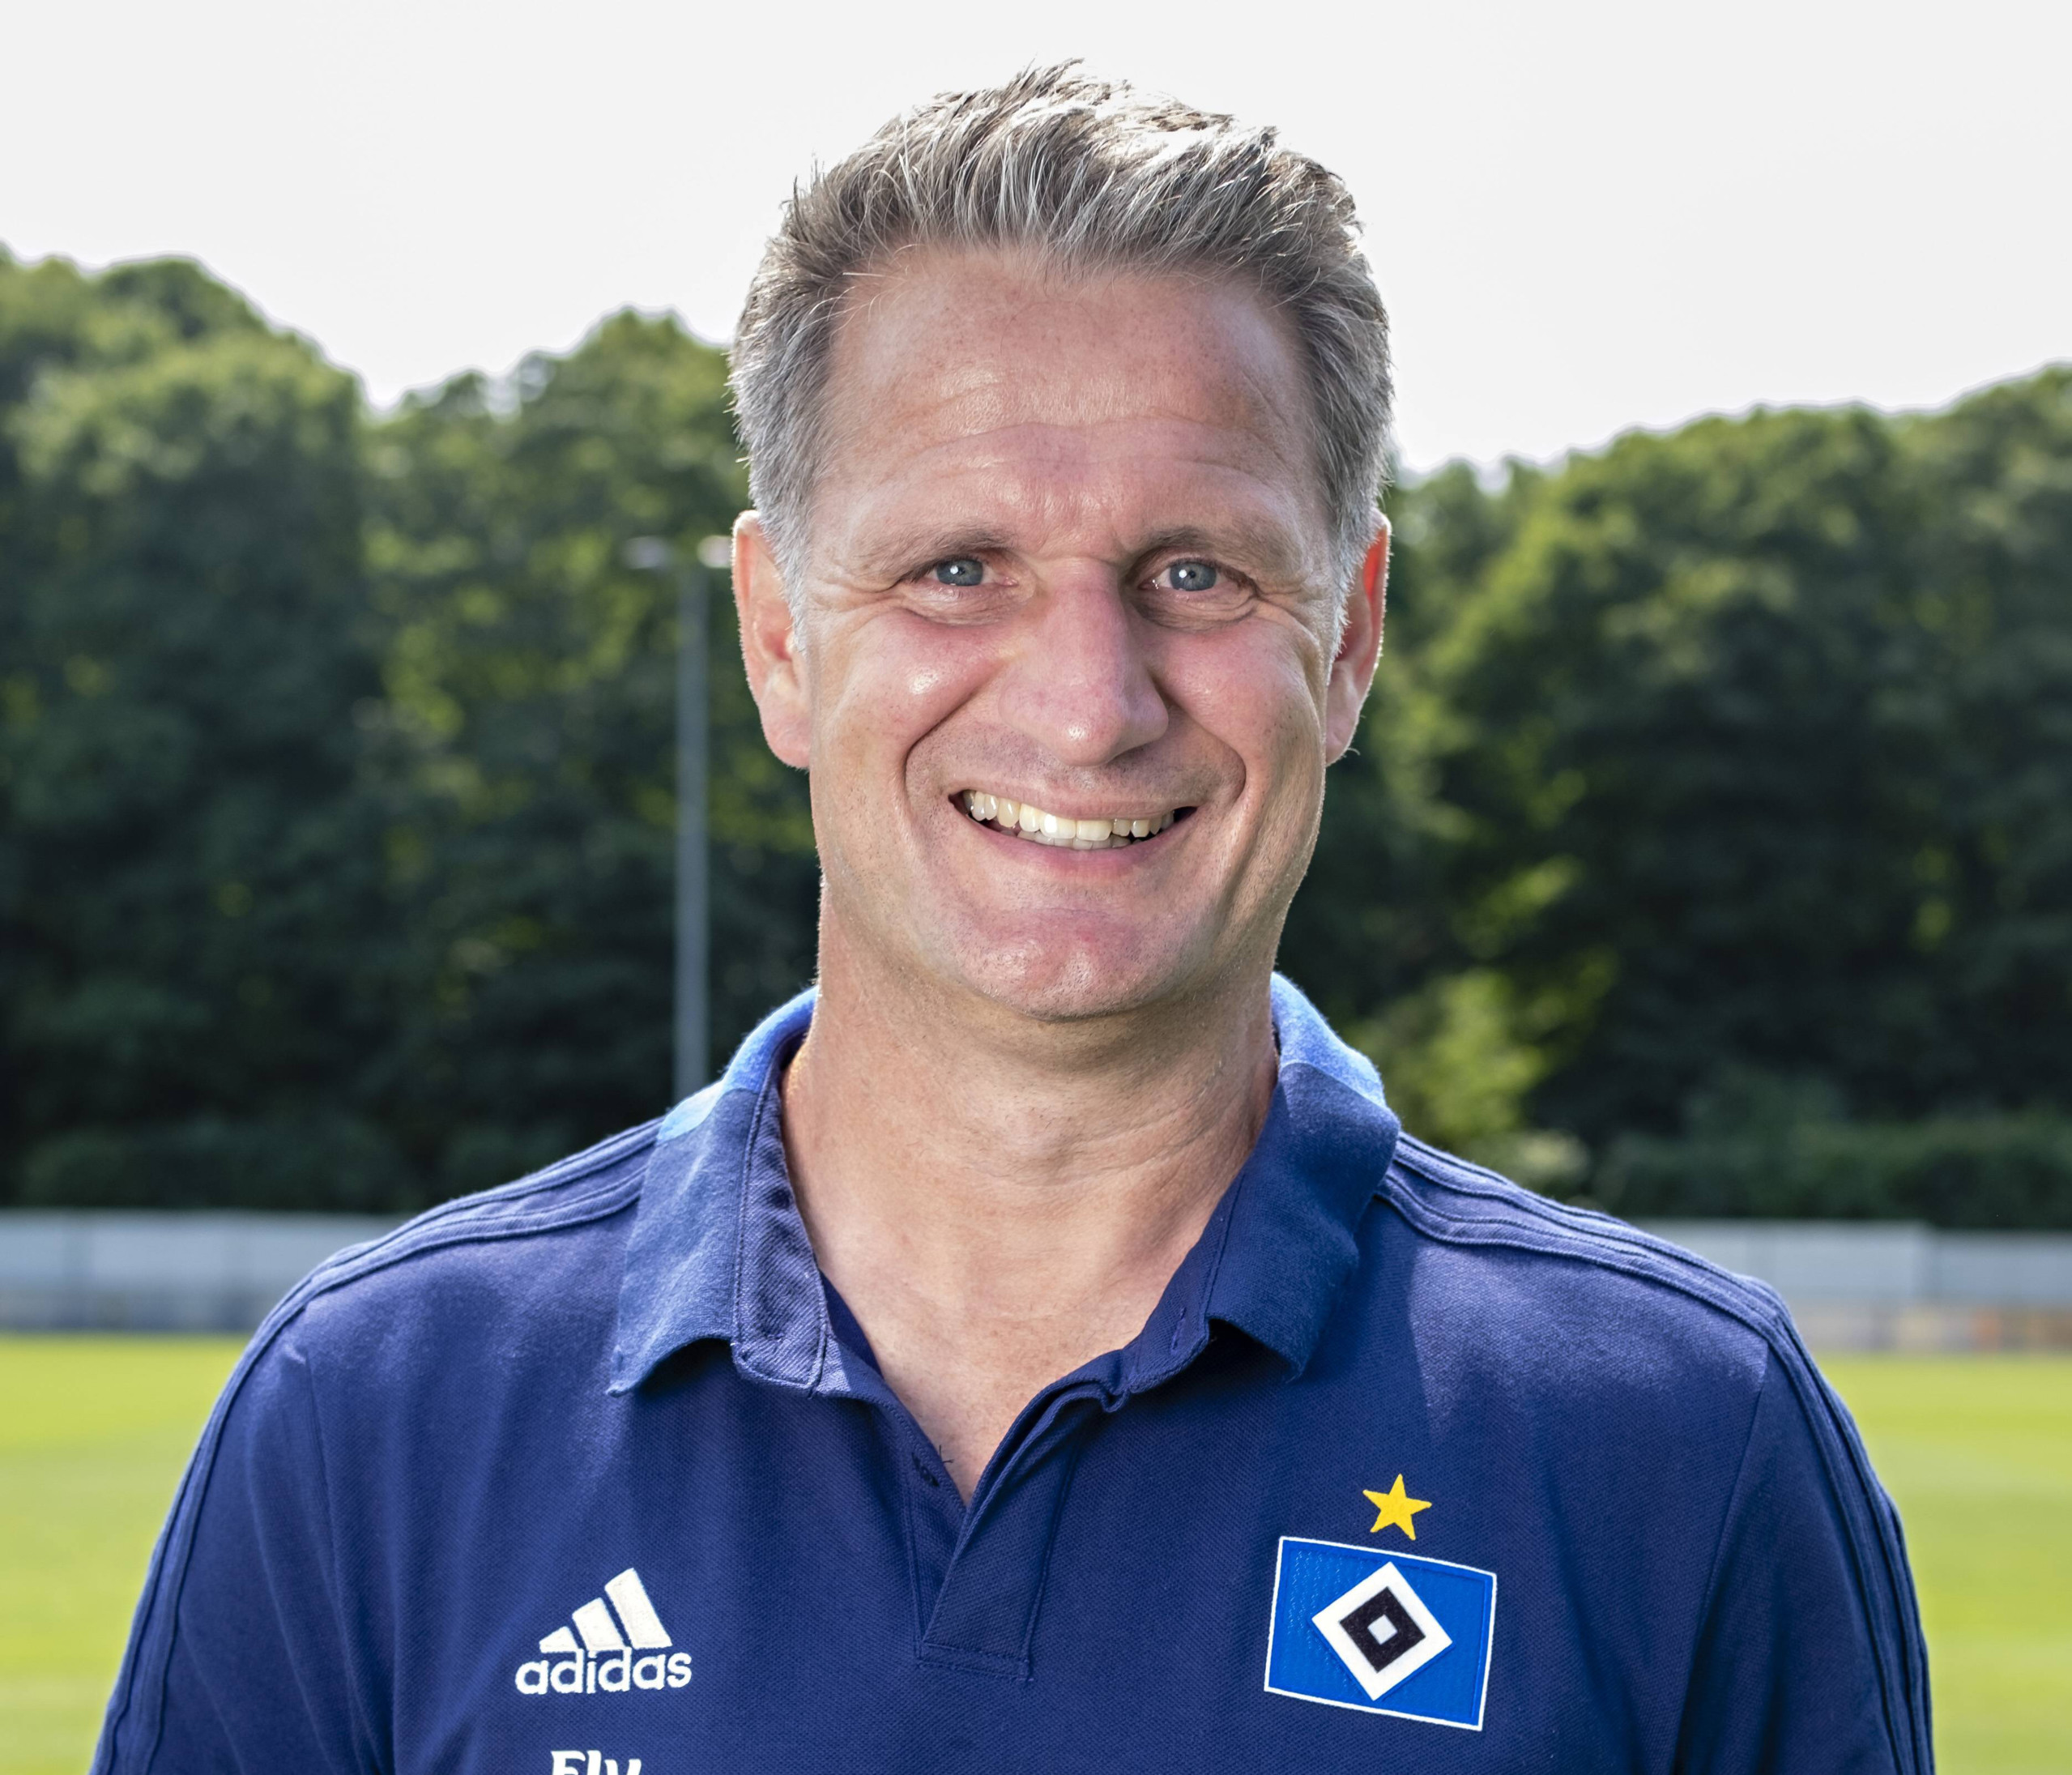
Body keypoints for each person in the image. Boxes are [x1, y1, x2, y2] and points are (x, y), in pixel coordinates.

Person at [95, 65, 1929, 1773]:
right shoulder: (373, 1416)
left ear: (1350, 635)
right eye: (957, 568)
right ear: (779, 636)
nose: (1086, 704)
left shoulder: (1684, 1443)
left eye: (1195, 571)